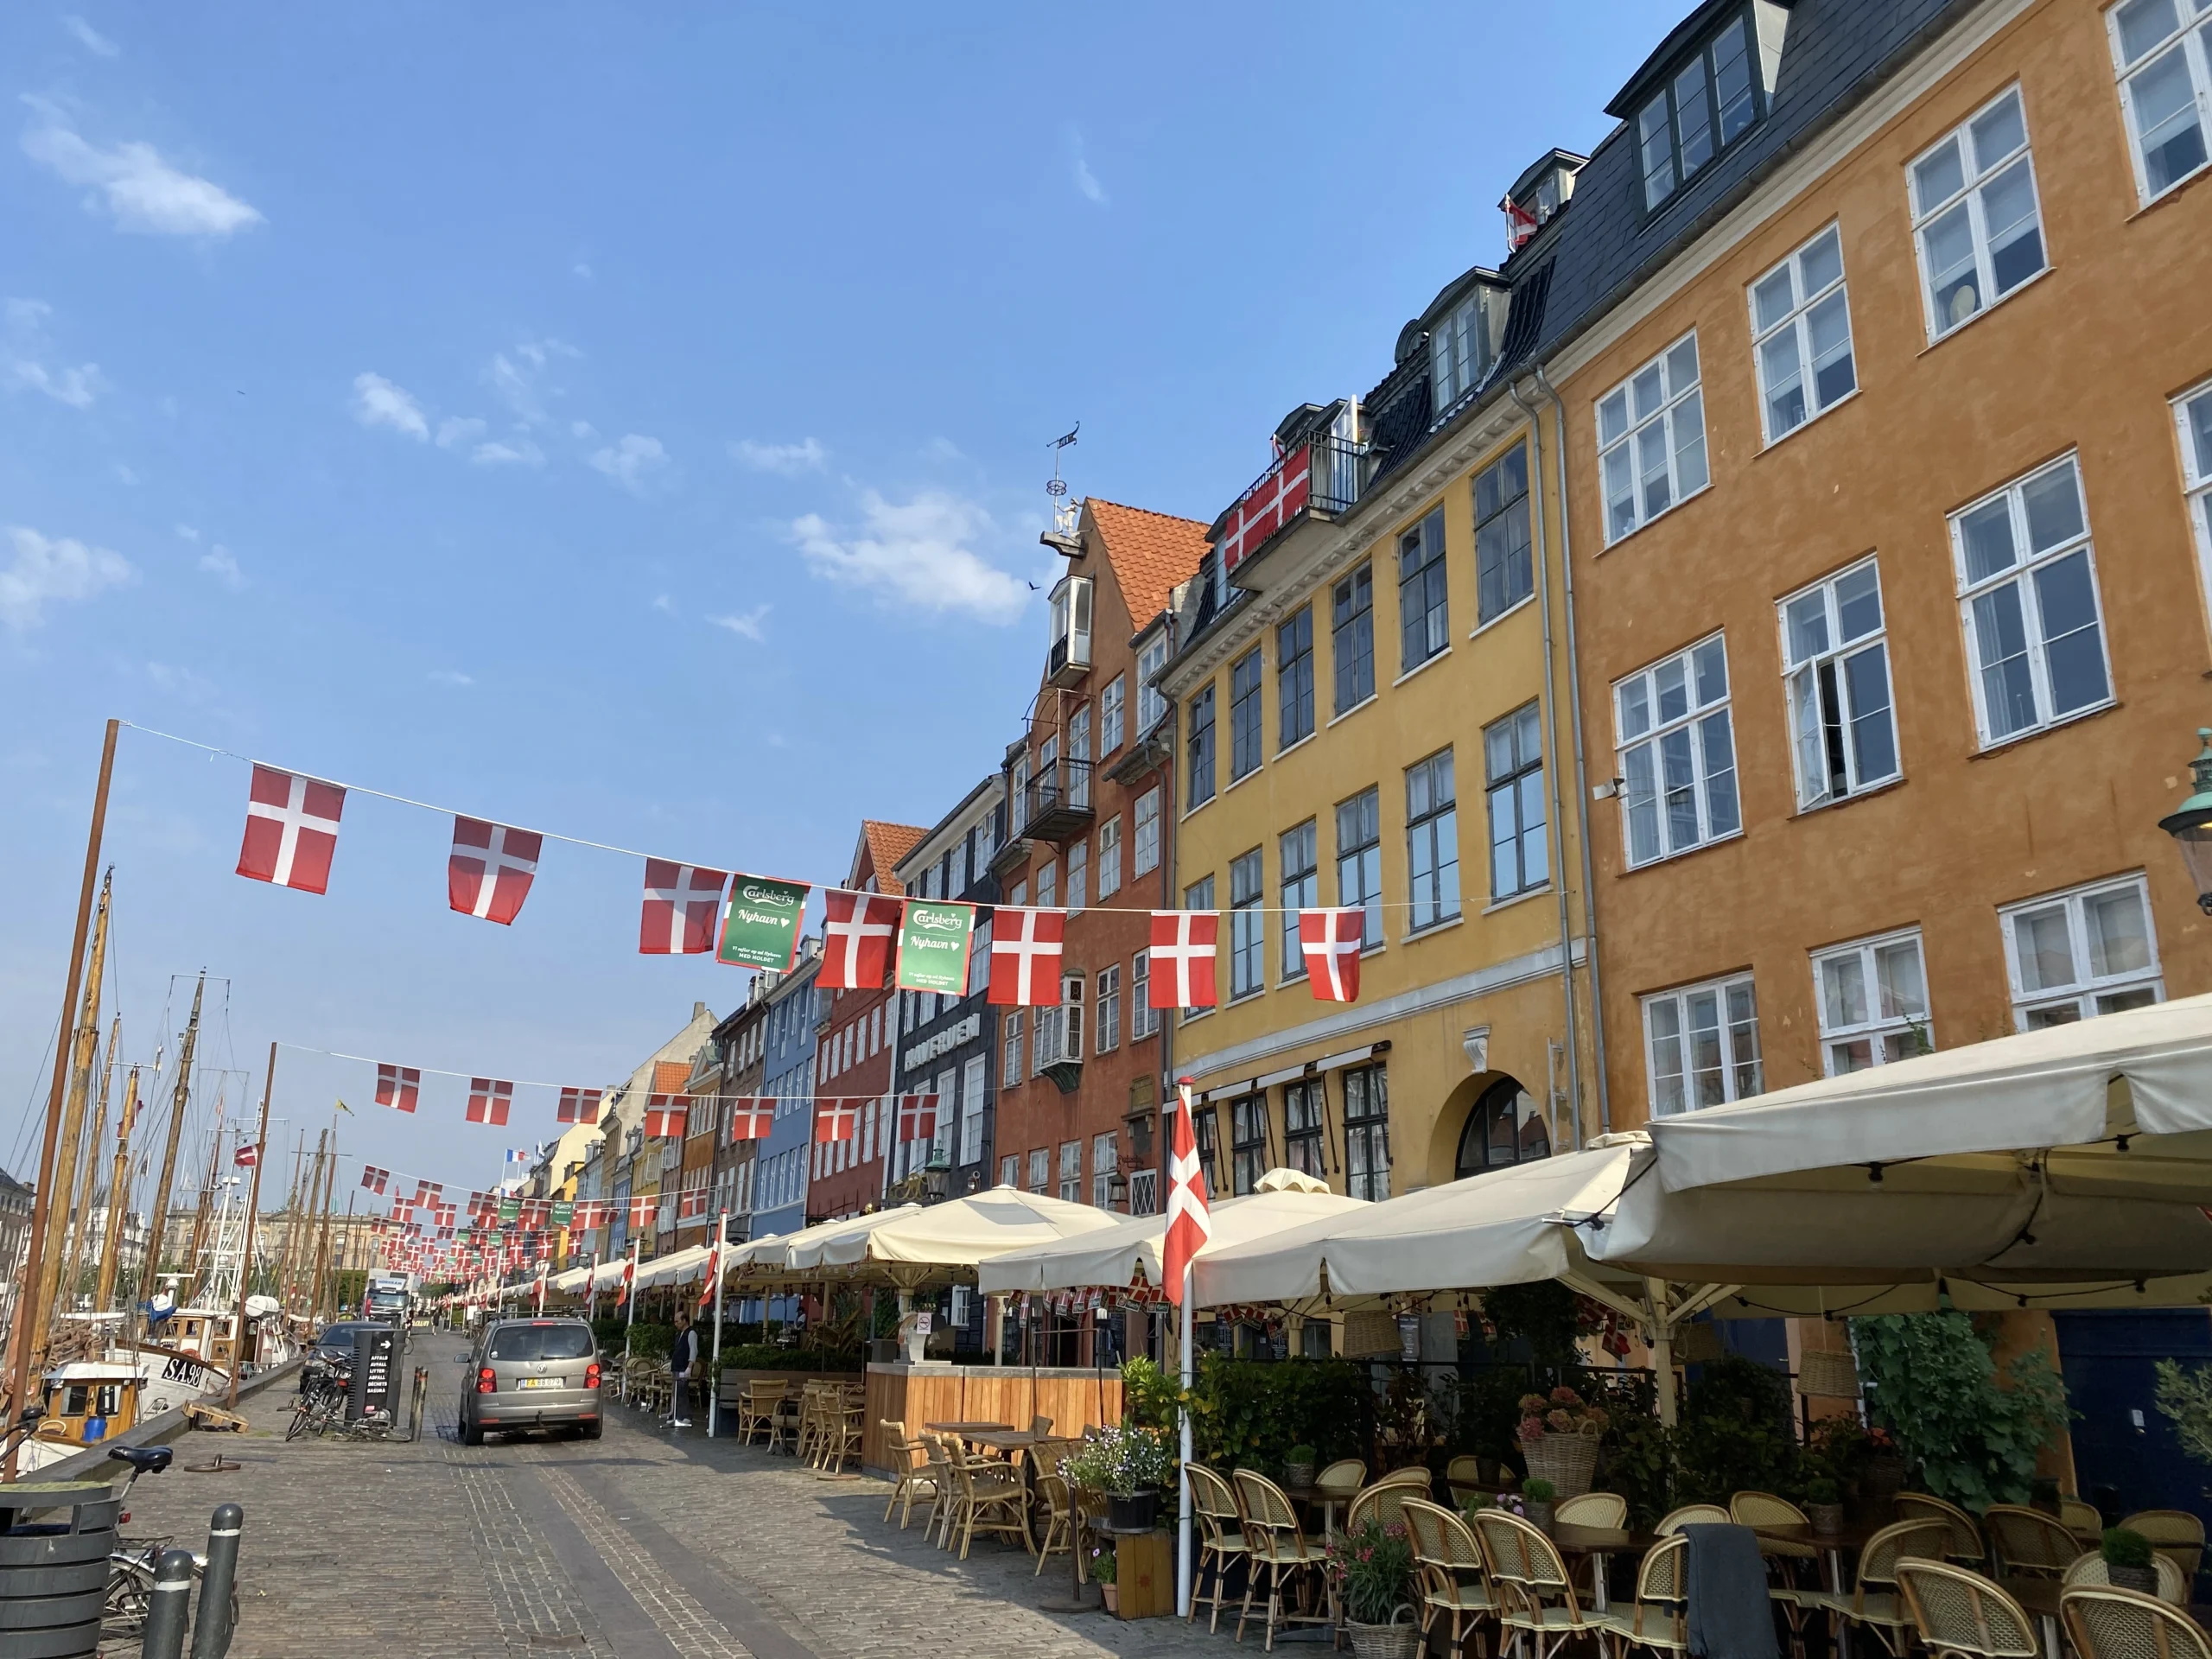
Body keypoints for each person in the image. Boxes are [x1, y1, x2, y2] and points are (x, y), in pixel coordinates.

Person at [667, 1309, 696, 1430]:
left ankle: (686, 1416)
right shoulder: (679, 1334)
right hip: (676, 1367)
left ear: (684, 1320)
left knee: (682, 1392)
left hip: (684, 1367)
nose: (676, 1324)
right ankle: (676, 1415)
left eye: (677, 1321)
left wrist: (689, 1367)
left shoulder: (691, 1333)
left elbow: (693, 1351)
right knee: (675, 1392)